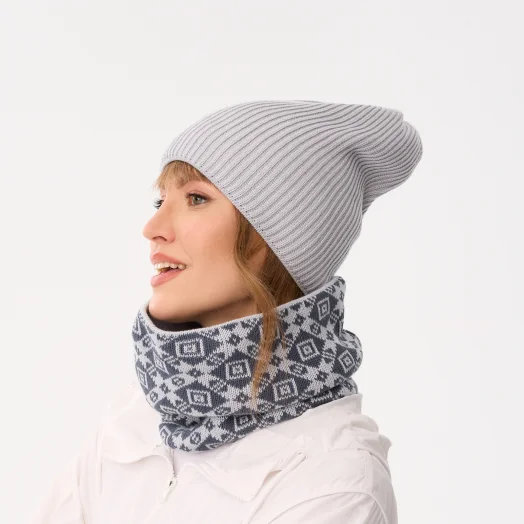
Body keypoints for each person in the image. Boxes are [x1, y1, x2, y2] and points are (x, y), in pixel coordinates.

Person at [29, 100, 423, 523]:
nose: (152, 229)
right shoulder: (136, 413)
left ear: (273, 240)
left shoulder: (334, 479)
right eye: (160, 202)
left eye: (196, 198)